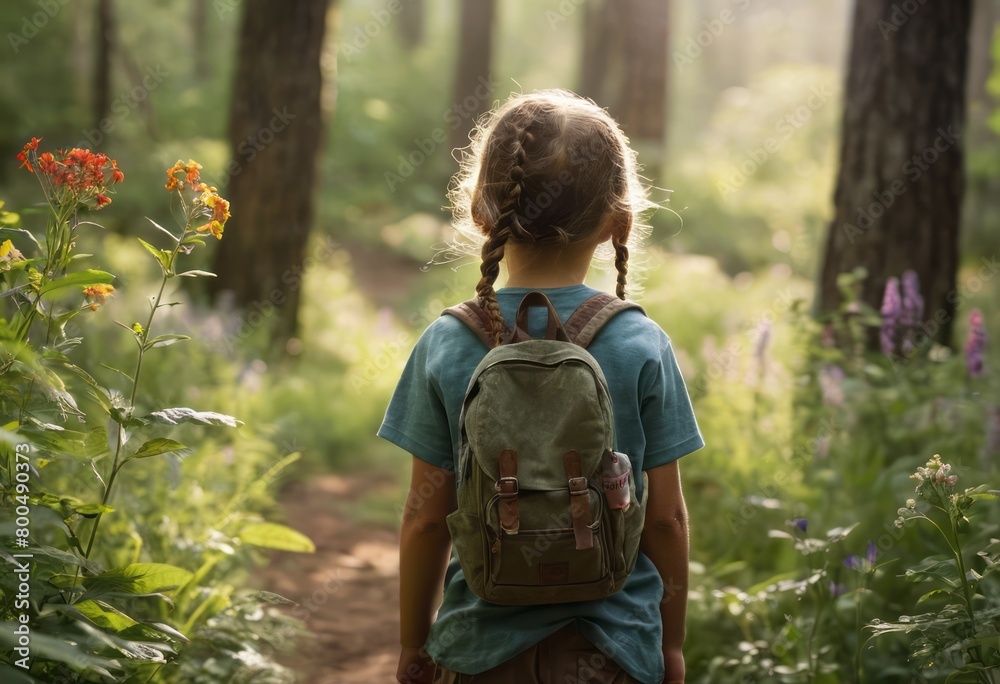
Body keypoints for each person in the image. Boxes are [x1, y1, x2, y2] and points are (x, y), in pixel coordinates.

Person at [378, 89, 703, 684]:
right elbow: (666, 521)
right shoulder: (640, 343)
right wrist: (672, 647)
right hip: (613, 654)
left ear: (481, 209)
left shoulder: (446, 343)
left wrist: (414, 644)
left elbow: (426, 517)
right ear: (616, 222)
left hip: (478, 652)